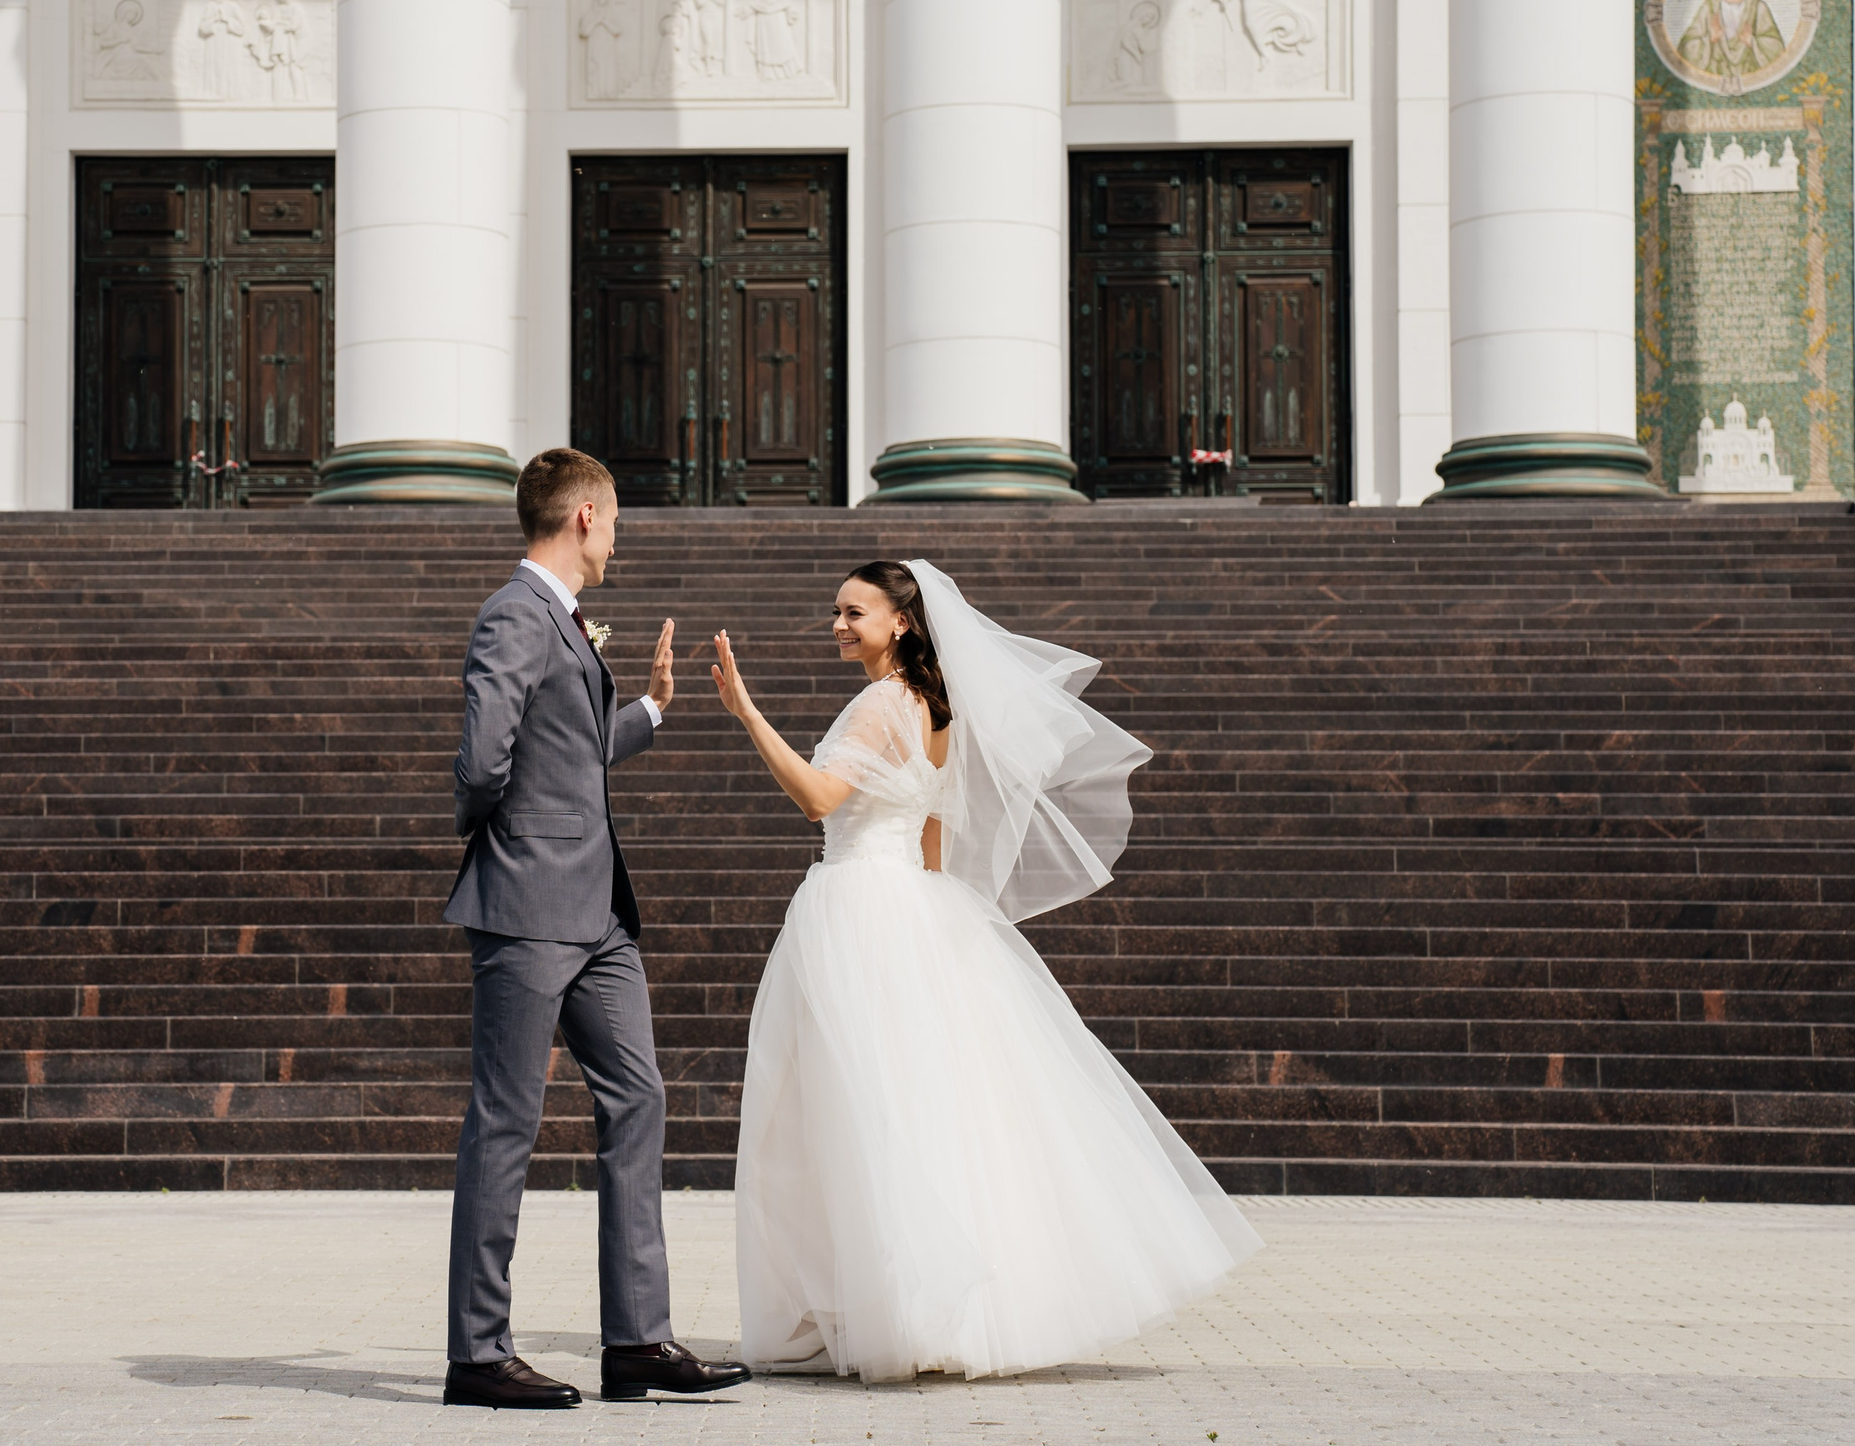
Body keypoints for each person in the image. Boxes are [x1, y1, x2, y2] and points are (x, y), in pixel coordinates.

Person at [713, 560, 1263, 1382]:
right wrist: (936, 932)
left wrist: (746, 712)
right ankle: (921, 1310)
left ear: (901, 622)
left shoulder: (881, 703)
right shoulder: (937, 709)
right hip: (911, 904)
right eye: (836, 610)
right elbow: (934, 836)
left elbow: (820, 800)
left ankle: (880, 1309)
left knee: (852, 1111)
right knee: (919, 1111)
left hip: (857, 904)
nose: (838, 624)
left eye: (854, 612)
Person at [443, 448, 752, 1410]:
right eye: (614, 520)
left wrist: (650, 707)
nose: (618, 538)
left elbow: (570, 753)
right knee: (506, 1119)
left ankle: (638, 1341)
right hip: (530, 903)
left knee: (639, 1097)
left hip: (599, 914)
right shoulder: (515, 613)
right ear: (583, 516)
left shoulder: (563, 619)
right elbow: (482, 763)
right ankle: (477, 1355)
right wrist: (506, 836)